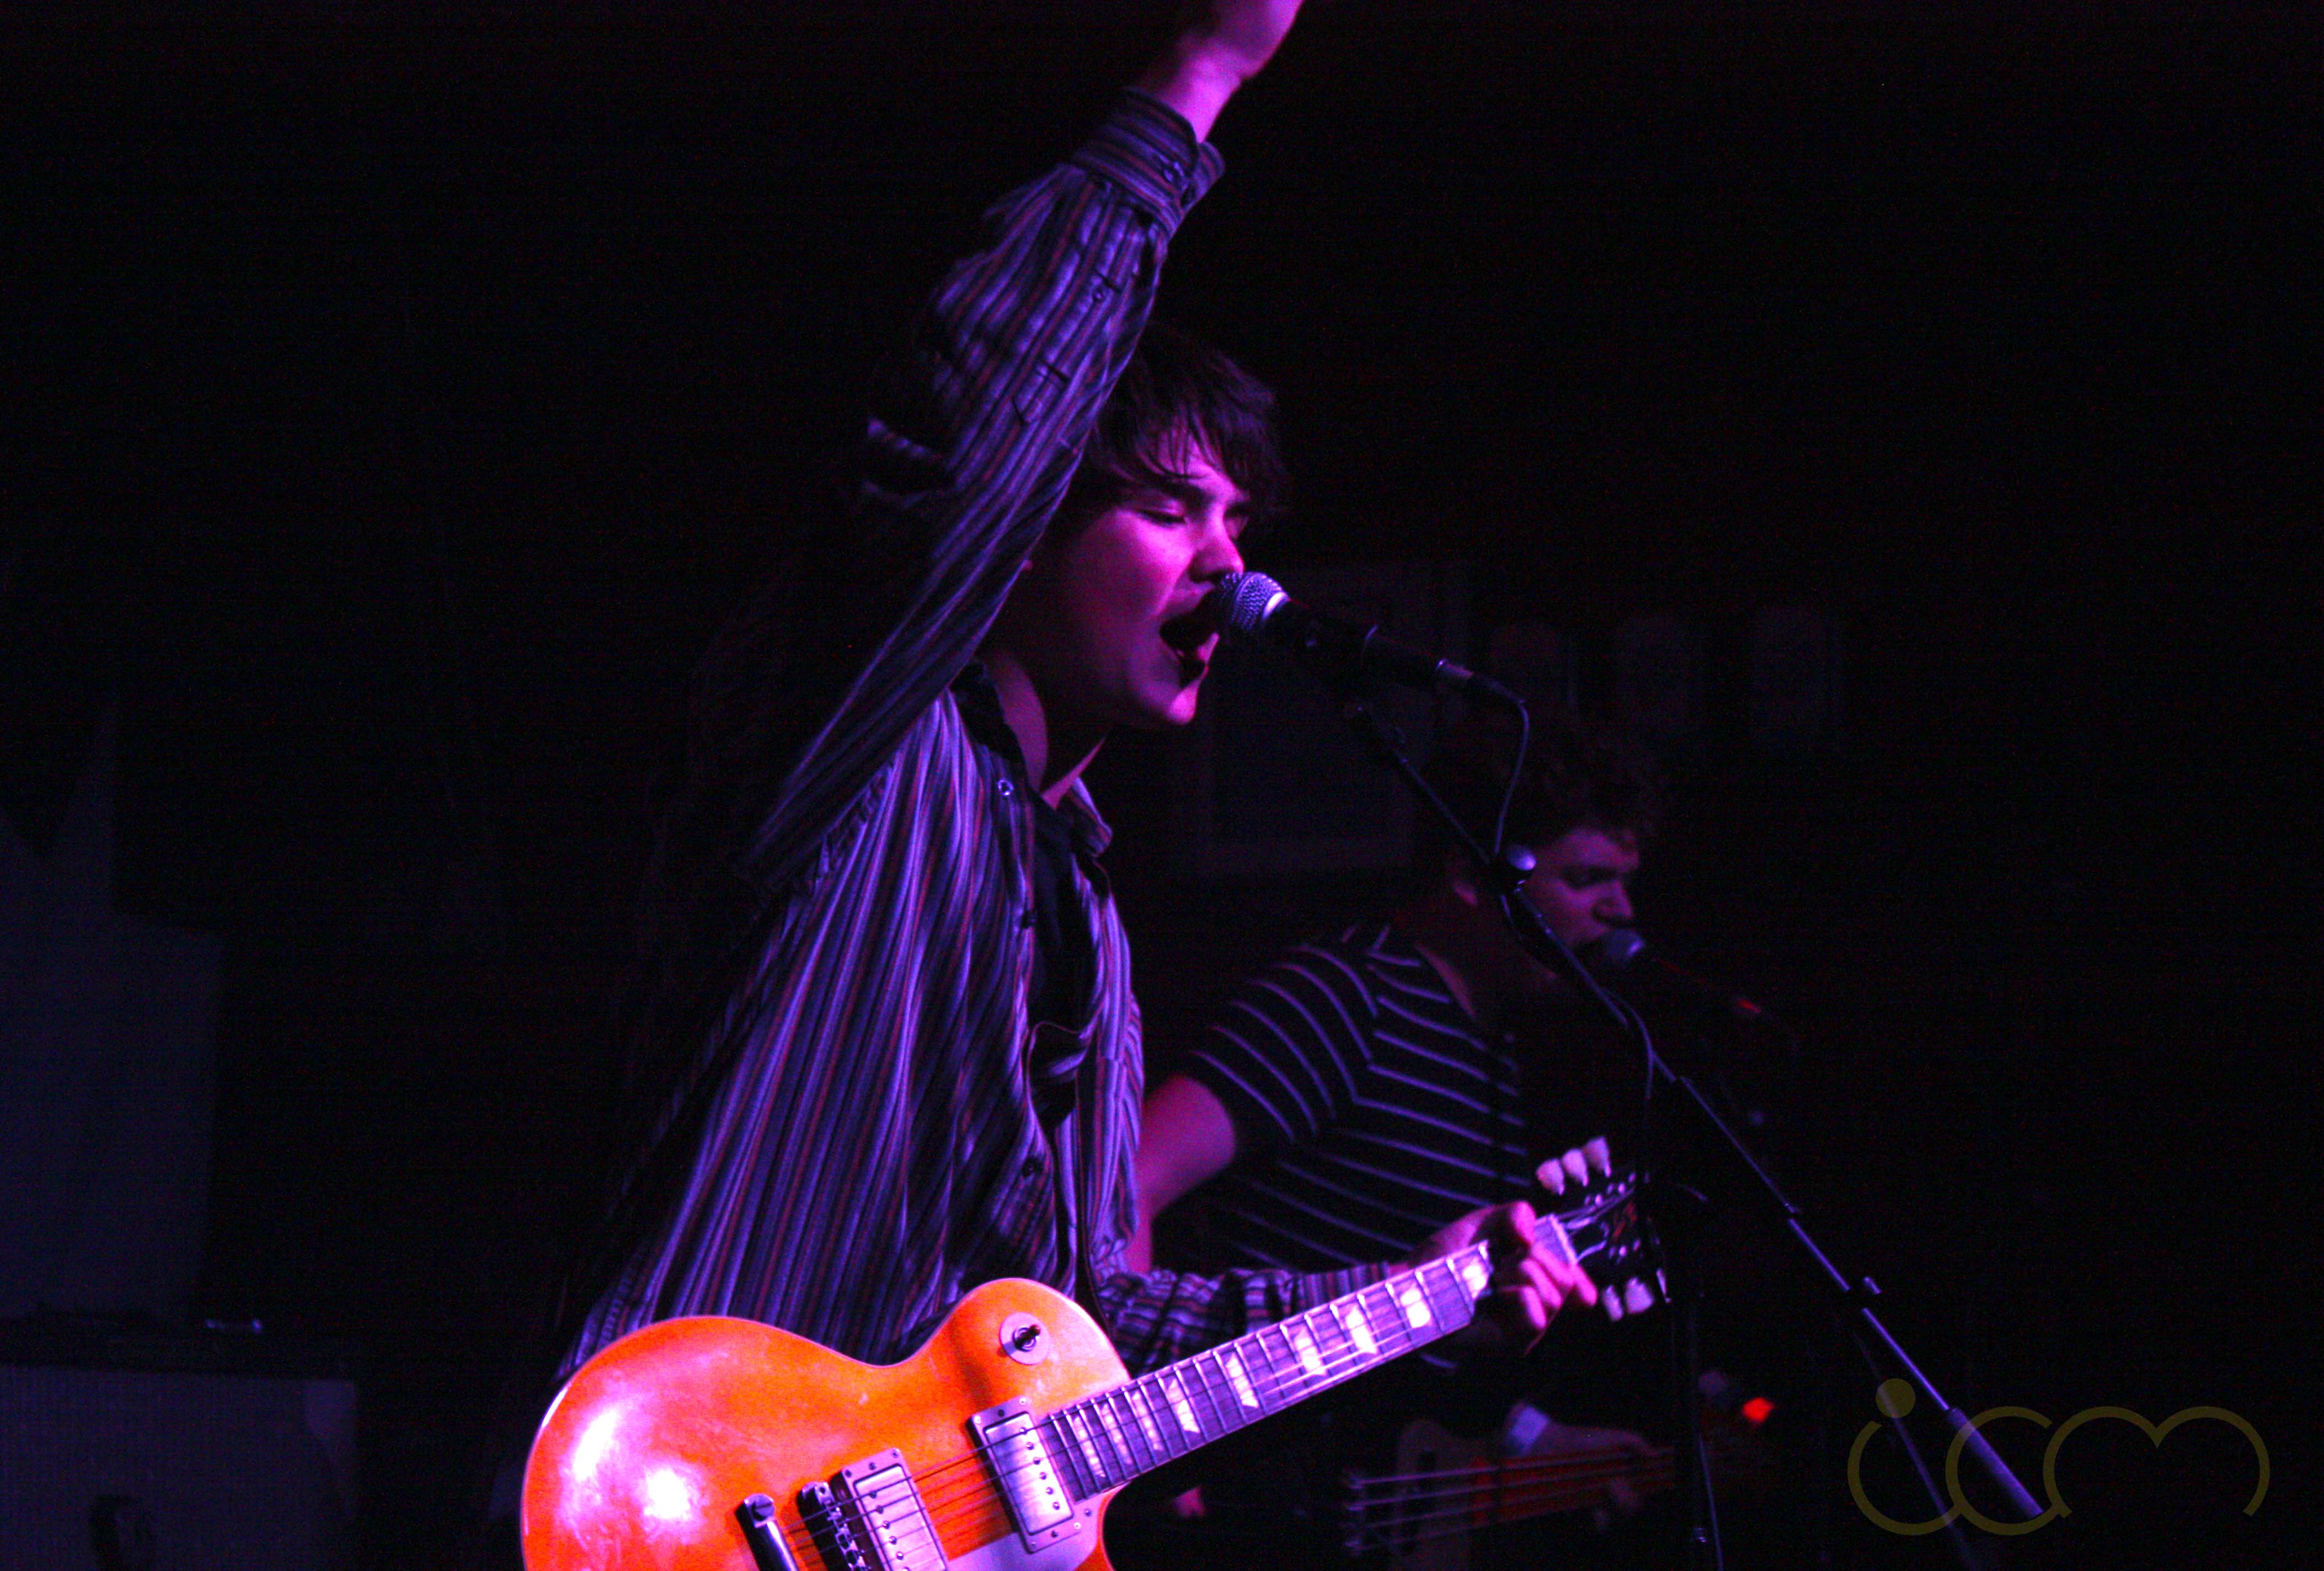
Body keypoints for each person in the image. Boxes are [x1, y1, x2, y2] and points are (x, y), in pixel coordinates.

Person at [531, 0, 1593, 1473]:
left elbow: (1084, 1331)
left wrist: (1421, 1301)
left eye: (1239, 520)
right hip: (668, 1507)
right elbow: (966, 442)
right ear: (1028, 529)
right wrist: (1203, 69)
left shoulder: (1087, 922)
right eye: (1169, 508)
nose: (1230, 565)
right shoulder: (868, 742)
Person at [1122, 708, 1669, 1564]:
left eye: (1626, 882)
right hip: (1221, 1489)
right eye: (1587, 877)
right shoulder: (1348, 1000)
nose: (1622, 911)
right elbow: (1131, 1181)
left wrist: (1540, 1442)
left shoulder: (1492, 1053)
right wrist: (1146, 1443)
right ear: (1473, 874)